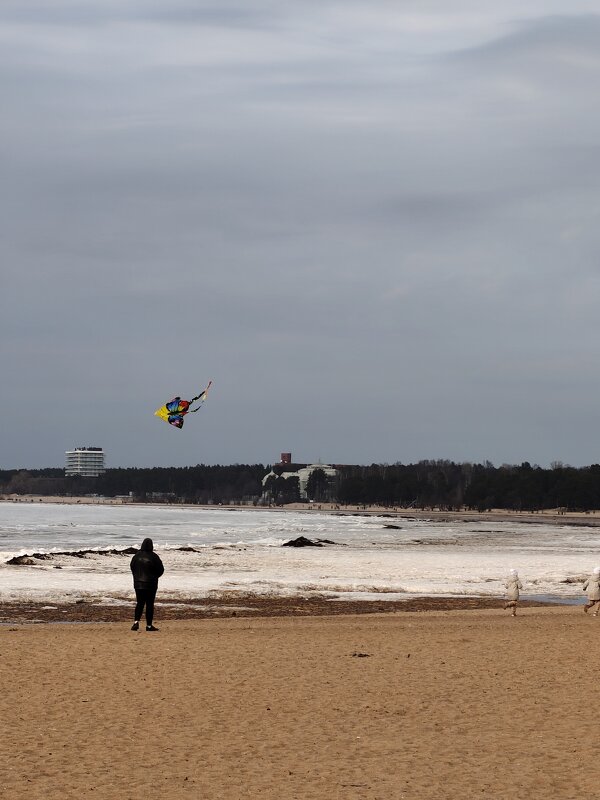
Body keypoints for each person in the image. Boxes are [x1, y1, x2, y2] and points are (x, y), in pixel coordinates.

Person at [130, 538, 164, 631]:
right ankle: (149, 626)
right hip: (151, 584)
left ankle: (136, 622)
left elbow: (132, 567)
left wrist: (136, 577)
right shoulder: (154, 556)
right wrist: (154, 576)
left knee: (139, 603)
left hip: (138, 583)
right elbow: (161, 570)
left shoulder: (136, 556)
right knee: (149, 604)